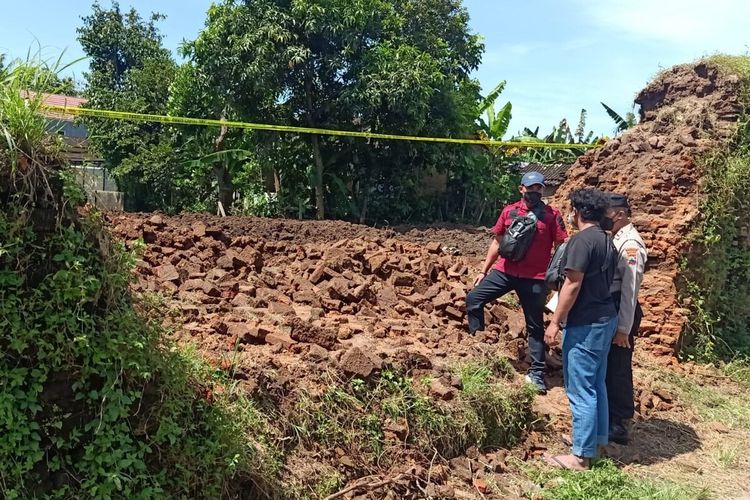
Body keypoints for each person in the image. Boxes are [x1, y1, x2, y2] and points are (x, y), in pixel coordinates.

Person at [466, 171, 567, 394]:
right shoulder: (509, 211)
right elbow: (497, 242)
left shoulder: (551, 216)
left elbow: (561, 245)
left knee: (535, 325)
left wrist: (556, 276)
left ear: (542, 190)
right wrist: (484, 271)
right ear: (521, 188)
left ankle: (537, 373)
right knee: (474, 299)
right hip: (505, 271)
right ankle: (479, 348)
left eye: (538, 188)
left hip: (535, 278)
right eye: (530, 188)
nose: (534, 192)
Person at [543, 188, 618, 470]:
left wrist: (554, 322)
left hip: (585, 323)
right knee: (597, 383)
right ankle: (595, 442)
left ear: (578, 211)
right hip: (605, 319)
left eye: (571, 209)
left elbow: (572, 285)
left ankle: (580, 457)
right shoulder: (606, 240)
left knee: (581, 388)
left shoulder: (581, 242)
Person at [602, 193, 647, 445]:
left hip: (622, 308)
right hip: (613, 305)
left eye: (606, 212)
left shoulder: (630, 244)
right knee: (609, 364)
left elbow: (630, 290)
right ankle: (609, 418)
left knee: (618, 366)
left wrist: (623, 328)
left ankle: (618, 424)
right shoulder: (616, 238)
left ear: (619, 214)